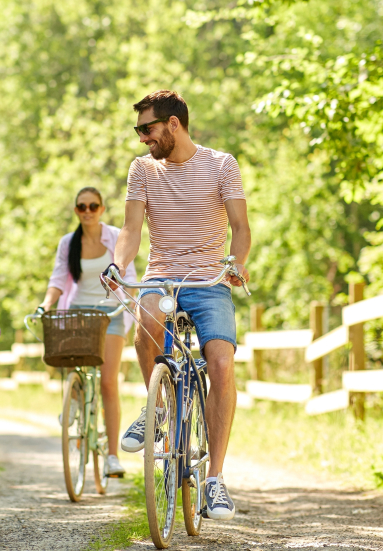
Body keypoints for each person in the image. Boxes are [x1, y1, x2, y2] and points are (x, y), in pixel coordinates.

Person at [112, 90, 251, 521]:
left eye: (147, 129)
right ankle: (156, 407)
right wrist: (119, 266)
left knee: (221, 363)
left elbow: (241, 227)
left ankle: (215, 481)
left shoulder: (222, 164)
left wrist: (237, 263)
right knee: (146, 323)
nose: (141, 139)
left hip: (211, 281)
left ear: (173, 125)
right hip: (162, 276)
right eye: (139, 130)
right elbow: (131, 230)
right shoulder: (143, 170)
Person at [38, 187, 138, 479]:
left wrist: (128, 297)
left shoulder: (116, 237)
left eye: (93, 206)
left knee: (108, 382)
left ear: (102, 209)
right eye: (82, 207)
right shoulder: (69, 243)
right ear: (76, 211)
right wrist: (46, 304)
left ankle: (112, 457)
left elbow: (130, 278)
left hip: (111, 314)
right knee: (71, 363)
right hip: (79, 312)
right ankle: (74, 400)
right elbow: (58, 278)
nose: (88, 211)